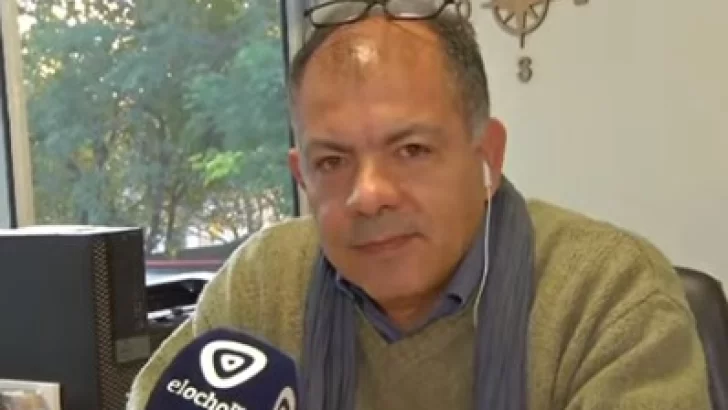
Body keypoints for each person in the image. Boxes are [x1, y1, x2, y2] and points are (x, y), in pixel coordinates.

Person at [127, 1, 711, 409]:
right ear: (302, 177)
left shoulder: (607, 296)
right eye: (332, 161)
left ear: (487, 157)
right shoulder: (260, 285)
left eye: (411, 150)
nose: (368, 194)